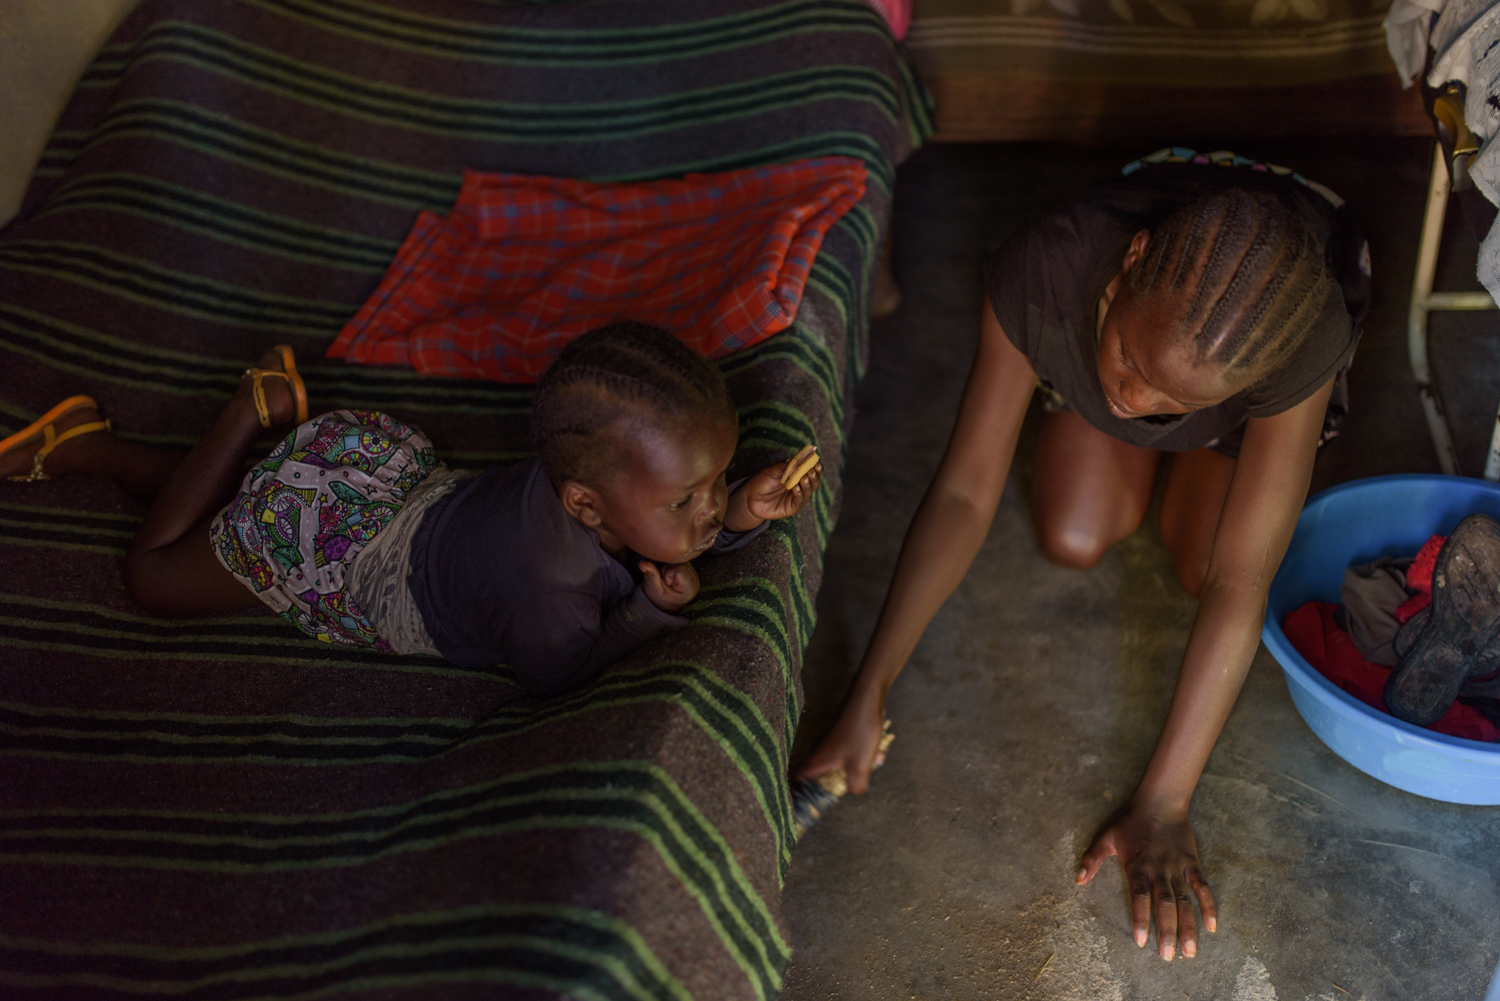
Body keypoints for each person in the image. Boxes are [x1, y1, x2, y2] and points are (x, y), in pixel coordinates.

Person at [799, 151, 1369, 961]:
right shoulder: (1046, 267)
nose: (1133, 402)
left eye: (1169, 403)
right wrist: (869, 689)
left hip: (1253, 325)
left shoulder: (1296, 338)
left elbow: (1244, 578)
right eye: (1131, 366)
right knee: (1073, 532)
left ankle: (1192, 413)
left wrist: (1164, 803)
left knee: (1204, 562)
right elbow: (964, 494)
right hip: (1158, 284)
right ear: (1131, 263)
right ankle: (1170, 380)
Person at [0, 322, 823, 698]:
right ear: (585, 503)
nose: (711, 507)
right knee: (150, 580)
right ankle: (250, 407)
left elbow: (660, 527)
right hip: (330, 545)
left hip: (368, 470)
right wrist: (647, 611)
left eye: (719, 479)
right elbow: (553, 674)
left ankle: (94, 447)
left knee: (221, 505)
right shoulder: (548, 588)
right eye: (692, 496)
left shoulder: (587, 483)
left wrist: (745, 514)